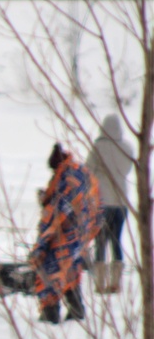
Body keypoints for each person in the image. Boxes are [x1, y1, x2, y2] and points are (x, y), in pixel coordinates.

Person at [31, 143, 101, 324]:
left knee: (51, 267)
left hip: (67, 232)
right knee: (70, 268)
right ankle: (76, 307)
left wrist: (43, 240)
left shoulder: (68, 177)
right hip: (82, 231)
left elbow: (60, 208)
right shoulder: (80, 172)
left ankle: (50, 310)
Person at [85, 114, 134, 294]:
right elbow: (129, 169)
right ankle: (116, 282)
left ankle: (100, 282)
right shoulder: (127, 147)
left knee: (101, 241)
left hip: (102, 202)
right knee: (116, 240)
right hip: (121, 201)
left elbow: (88, 169)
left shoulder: (98, 147)